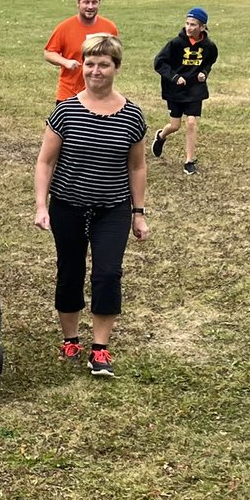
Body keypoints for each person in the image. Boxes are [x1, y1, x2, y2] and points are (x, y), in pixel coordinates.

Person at [33, 33, 149, 378]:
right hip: (67, 205)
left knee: (108, 273)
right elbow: (45, 162)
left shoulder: (132, 115)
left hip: (111, 208)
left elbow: (137, 166)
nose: (95, 71)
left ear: (116, 68)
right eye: (90, 63)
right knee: (70, 271)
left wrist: (138, 213)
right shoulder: (66, 110)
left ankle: (100, 349)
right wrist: (42, 204)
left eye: (103, 64)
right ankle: (70, 338)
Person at [151, 7, 218, 176]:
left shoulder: (209, 46)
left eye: (193, 25)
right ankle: (161, 136)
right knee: (175, 125)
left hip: (195, 89)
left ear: (202, 27)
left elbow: (209, 61)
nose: (189, 27)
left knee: (191, 122)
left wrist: (204, 73)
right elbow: (159, 63)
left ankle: (189, 161)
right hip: (175, 89)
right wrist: (174, 77)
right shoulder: (175, 44)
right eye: (187, 23)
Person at [44, 0, 118, 103]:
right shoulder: (65, 27)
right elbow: (48, 53)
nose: (90, 6)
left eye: (94, 2)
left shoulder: (109, 28)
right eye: (86, 2)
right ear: (78, 3)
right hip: (69, 93)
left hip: (99, 93)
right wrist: (66, 62)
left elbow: (115, 58)